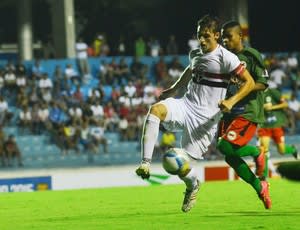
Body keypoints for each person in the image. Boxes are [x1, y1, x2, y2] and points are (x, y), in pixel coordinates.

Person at [135, 15, 255, 213]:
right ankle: (145, 164)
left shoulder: (227, 58)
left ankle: (192, 185)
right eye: (199, 36)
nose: (201, 40)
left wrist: (231, 101)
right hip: (186, 106)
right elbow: (191, 70)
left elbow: (249, 82)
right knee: (155, 110)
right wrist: (174, 89)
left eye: (206, 36)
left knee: (175, 164)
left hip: (205, 121)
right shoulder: (195, 54)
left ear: (217, 35)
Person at [218, 21, 271, 209]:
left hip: (247, 111)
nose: (225, 40)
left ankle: (258, 152)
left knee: (223, 145)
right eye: (223, 36)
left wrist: (245, 86)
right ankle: (260, 186)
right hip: (229, 112)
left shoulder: (250, 55)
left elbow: (263, 83)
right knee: (228, 155)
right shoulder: (225, 58)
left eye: (229, 36)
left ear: (240, 36)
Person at [257, 87, 298, 180]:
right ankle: (264, 176)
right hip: (264, 126)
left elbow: (285, 104)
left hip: (276, 125)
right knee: (264, 150)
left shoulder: (273, 92)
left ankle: (292, 149)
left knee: (282, 151)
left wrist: (272, 107)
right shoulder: (256, 94)